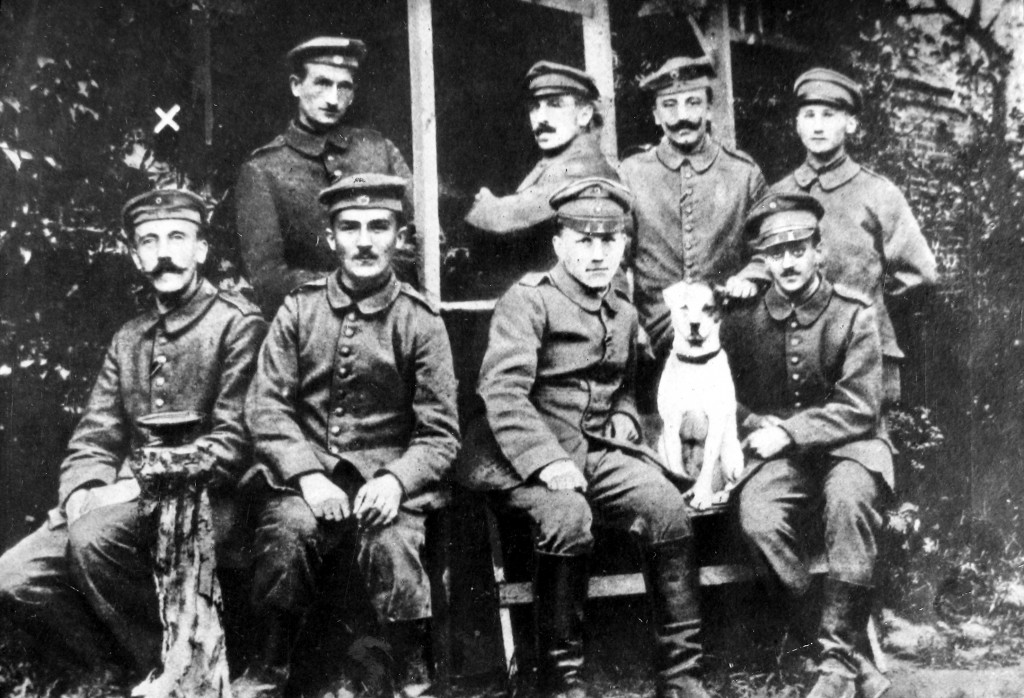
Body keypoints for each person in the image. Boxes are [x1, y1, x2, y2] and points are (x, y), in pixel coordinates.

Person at [0, 189, 267, 674]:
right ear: (135, 255)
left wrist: (129, 488)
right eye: (149, 241)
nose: (164, 253)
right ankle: (113, 671)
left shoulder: (237, 325)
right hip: (121, 506)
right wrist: (84, 490)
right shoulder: (130, 337)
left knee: (95, 538)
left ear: (201, 250)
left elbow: (234, 444)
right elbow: (94, 435)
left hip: (209, 503)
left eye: (177, 237)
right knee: (15, 577)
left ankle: (174, 670)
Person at [464, 177, 710, 698]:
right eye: (584, 240)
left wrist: (621, 412)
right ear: (559, 244)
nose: (598, 254)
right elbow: (502, 394)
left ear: (623, 245)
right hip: (520, 457)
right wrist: (547, 462)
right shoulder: (528, 301)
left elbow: (622, 381)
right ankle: (560, 681)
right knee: (568, 517)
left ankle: (681, 675)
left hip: (594, 451)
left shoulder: (622, 310)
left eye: (609, 241)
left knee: (666, 505)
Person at [237, 174, 459, 698]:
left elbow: (440, 433)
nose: (364, 240)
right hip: (306, 478)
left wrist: (397, 481)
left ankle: (410, 676)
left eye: (378, 226)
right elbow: (266, 407)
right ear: (331, 238)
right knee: (287, 532)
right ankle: (270, 670)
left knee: (394, 543)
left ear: (399, 236)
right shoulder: (299, 309)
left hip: (387, 479)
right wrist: (308, 477)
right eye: (350, 227)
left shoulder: (420, 321)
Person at [723, 192, 893, 698]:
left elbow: (861, 406)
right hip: (782, 456)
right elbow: (718, 393)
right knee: (758, 517)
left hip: (853, 447)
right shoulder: (742, 317)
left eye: (798, 249)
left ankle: (837, 665)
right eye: (776, 253)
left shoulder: (853, 313)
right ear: (764, 260)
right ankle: (838, 653)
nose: (788, 262)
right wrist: (755, 423)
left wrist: (792, 431)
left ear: (819, 251)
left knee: (847, 502)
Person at [772, 67, 937, 404]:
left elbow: (921, 274)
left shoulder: (878, 193)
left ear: (850, 124)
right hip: (796, 355)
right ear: (797, 125)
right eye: (809, 115)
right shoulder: (779, 195)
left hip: (863, 354)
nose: (818, 126)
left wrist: (869, 304)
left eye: (829, 115)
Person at [236, 35, 415, 317]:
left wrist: (379, 289)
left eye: (343, 87)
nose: (333, 99)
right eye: (322, 83)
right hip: (311, 327)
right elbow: (268, 278)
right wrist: (348, 289)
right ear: (296, 85)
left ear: (353, 94)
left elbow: (426, 239)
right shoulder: (263, 169)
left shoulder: (379, 149)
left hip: (389, 316)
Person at [619, 56, 767, 359]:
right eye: (670, 105)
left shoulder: (744, 173)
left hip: (728, 330)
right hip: (654, 335)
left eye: (693, 103)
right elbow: (614, 262)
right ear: (656, 115)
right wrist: (630, 323)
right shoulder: (631, 174)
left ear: (709, 109)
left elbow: (768, 248)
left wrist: (750, 277)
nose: (682, 116)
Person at [464, 61, 619, 295]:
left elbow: (507, 218)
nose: (541, 118)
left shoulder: (581, 165)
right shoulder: (557, 160)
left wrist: (486, 203)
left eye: (555, 105)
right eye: (535, 107)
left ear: (584, 114)